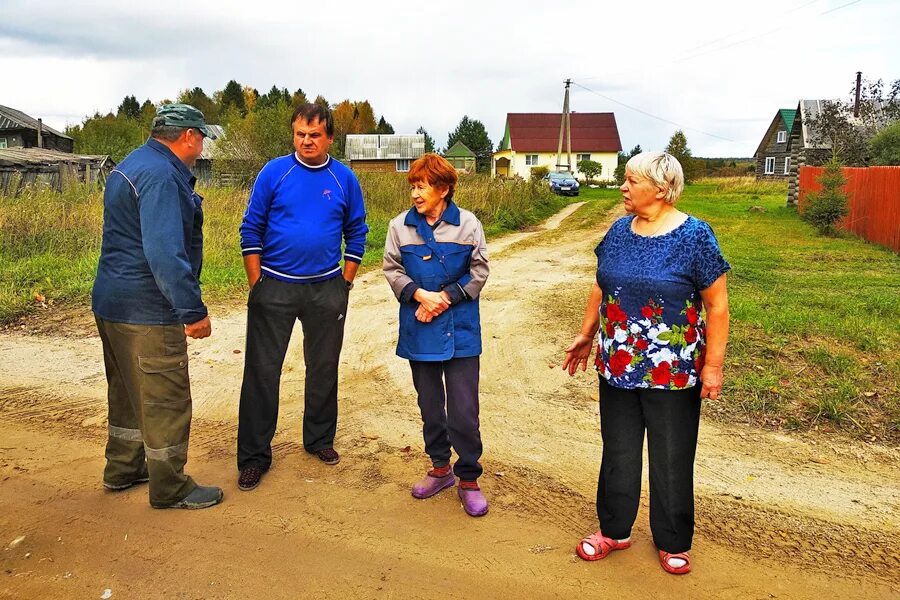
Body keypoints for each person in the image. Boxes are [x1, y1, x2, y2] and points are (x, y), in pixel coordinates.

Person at [562, 151, 730, 574]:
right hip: (617, 365)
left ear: (660, 188)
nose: (623, 186)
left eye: (630, 180)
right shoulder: (618, 231)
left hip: (673, 372)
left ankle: (673, 539)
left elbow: (718, 307)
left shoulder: (696, 237)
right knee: (617, 451)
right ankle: (613, 531)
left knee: (671, 456)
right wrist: (587, 334)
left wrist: (712, 366)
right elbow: (601, 287)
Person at [92, 103, 223, 509]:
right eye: (201, 137)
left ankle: (124, 467)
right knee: (165, 397)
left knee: (128, 392)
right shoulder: (164, 176)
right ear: (188, 136)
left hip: (112, 302)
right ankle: (170, 486)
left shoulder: (132, 163)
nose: (202, 145)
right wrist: (192, 310)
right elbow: (165, 253)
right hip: (149, 308)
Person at [237, 103, 368, 491]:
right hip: (273, 286)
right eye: (300, 134)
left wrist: (344, 281)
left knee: (324, 367)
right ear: (293, 134)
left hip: (326, 288)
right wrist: (256, 282)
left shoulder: (344, 178)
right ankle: (254, 458)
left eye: (314, 135)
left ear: (329, 138)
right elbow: (251, 228)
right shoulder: (275, 172)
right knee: (262, 372)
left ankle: (319, 441)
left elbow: (357, 231)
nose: (306, 141)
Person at [383, 153, 490, 517]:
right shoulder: (400, 226)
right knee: (430, 405)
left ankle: (469, 478)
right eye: (412, 186)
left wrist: (442, 298)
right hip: (419, 325)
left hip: (460, 328)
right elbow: (391, 268)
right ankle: (440, 468)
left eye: (422, 186)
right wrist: (418, 294)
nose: (415, 193)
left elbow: (479, 271)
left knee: (463, 410)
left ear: (443, 189)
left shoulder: (469, 224)